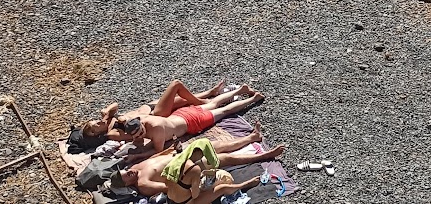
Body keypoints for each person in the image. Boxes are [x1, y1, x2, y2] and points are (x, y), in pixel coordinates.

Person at [70, 83, 259, 154]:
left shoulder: (153, 131)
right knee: (210, 106)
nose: (98, 124)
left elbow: (157, 150)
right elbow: (147, 144)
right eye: (95, 128)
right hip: (174, 118)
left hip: (181, 121)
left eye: (94, 124)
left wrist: (107, 115)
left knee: (218, 110)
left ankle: (243, 95)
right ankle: (235, 91)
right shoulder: (113, 133)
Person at [116, 132, 284, 204]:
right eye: (126, 175)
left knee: (214, 145)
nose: (129, 171)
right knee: (224, 158)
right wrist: (195, 178)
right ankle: (264, 156)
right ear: (127, 184)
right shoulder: (144, 184)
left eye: (125, 171)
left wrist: (173, 150)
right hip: (184, 172)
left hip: (179, 159)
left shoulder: (137, 166)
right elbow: (171, 187)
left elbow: (158, 158)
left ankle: (251, 137)